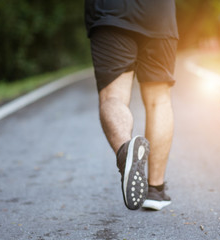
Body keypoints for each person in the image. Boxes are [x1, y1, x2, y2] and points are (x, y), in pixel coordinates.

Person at [85, 0, 179, 210]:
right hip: (158, 11)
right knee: (159, 100)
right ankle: (155, 190)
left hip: (110, 11)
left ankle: (125, 151)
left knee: (113, 97)